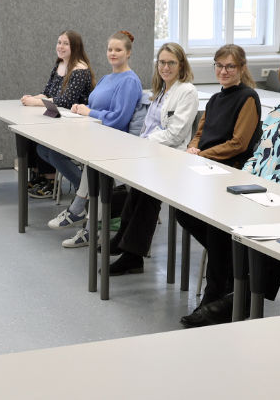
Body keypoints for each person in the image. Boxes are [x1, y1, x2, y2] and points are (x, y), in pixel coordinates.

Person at [181, 47, 280, 327]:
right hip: (261, 195)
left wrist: (268, 187)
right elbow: (257, 155)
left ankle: (236, 299)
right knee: (216, 220)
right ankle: (224, 292)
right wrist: (247, 183)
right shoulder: (277, 112)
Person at [172, 44, 261, 323]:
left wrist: (203, 156)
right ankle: (231, 267)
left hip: (230, 172)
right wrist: (193, 148)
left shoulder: (248, 97)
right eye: (219, 66)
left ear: (242, 68)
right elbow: (200, 133)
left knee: (214, 227)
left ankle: (214, 294)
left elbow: (239, 143)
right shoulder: (214, 99)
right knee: (182, 212)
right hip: (206, 169)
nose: (223, 71)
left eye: (230, 66)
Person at [106, 42, 199, 274]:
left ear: (181, 65)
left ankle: (133, 256)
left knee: (147, 194)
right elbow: (147, 127)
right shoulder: (160, 90)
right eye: (162, 62)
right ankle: (123, 239)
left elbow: (175, 134)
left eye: (171, 63)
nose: (165, 67)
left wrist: (144, 144)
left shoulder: (186, 91)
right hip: (151, 153)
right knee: (136, 190)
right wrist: (140, 146)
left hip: (172, 158)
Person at [45, 31, 143, 247]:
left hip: (116, 141)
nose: (113, 53)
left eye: (118, 50)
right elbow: (93, 106)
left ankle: (81, 215)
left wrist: (89, 112)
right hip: (96, 135)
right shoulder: (107, 78)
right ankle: (83, 217)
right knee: (59, 152)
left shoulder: (129, 81)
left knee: (92, 160)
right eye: (110, 49)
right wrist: (81, 109)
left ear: (128, 53)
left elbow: (118, 119)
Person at [20, 31, 95, 199]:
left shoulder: (80, 69)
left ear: (75, 47)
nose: (60, 46)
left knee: (48, 147)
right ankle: (44, 177)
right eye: (59, 42)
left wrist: (35, 102)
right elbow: (47, 93)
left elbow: (66, 101)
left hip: (76, 125)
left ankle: (79, 188)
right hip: (59, 120)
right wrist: (31, 98)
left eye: (65, 43)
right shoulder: (59, 64)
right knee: (35, 141)